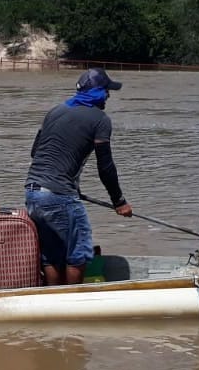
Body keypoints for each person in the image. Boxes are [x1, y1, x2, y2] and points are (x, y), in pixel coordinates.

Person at [24, 68, 133, 285]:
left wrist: (71, 185)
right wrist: (119, 201)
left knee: (51, 256)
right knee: (78, 254)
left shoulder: (55, 111)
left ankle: (54, 303)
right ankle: (73, 302)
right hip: (59, 196)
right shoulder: (100, 120)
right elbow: (106, 166)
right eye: (106, 91)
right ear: (99, 93)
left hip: (32, 192)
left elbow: (36, 152)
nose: (108, 96)